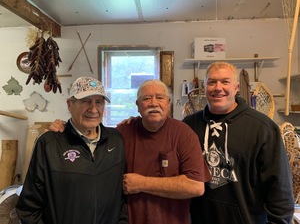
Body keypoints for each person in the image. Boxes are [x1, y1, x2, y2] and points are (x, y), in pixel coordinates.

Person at [48, 79, 211, 224]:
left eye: (160, 98)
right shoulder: (121, 133)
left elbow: (196, 187)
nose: (154, 103)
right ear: (138, 106)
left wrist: (142, 183)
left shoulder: (184, 134)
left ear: (168, 103)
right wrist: (66, 127)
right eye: (146, 98)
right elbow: (90, 142)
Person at [182, 62, 294, 224]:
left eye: (225, 82)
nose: (218, 87)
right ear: (204, 87)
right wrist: (136, 124)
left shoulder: (263, 128)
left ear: (236, 88)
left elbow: (280, 189)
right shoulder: (189, 125)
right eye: (212, 82)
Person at [16, 77, 128, 224]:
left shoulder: (115, 140)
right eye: (85, 101)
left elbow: (121, 199)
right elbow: (29, 208)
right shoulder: (49, 144)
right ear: (69, 104)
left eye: (99, 102)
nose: (93, 109)